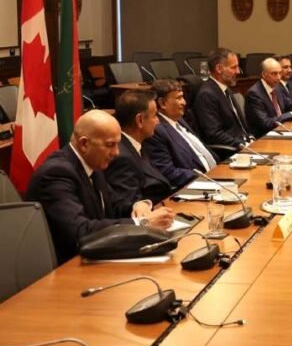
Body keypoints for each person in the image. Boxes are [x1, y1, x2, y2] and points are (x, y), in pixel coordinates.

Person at [26, 110, 174, 265]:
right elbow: (80, 231)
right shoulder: (56, 174)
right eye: (110, 145)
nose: (116, 153)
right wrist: (143, 223)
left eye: (117, 144)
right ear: (84, 143)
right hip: (67, 267)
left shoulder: (92, 163)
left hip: (96, 257)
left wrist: (139, 205)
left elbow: (115, 206)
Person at [144, 79, 218, 188]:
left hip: (216, 176)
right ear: (162, 103)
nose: (184, 102)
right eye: (179, 98)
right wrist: (205, 177)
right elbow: (167, 171)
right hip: (196, 185)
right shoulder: (156, 130)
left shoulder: (179, 119)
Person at [105, 90, 173, 206]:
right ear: (140, 120)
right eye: (155, 115)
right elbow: (130, 206)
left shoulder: (136, 144)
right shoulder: (122, 157)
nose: (157, 121)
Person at [194, 47, 253, 154]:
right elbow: (213, 134)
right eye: (234, 67)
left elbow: (239, 125)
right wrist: (241, 144)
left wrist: (250, 138)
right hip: (230, 152)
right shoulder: (207, 94)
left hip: (245, 145)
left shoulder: (226, 89)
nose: (238, 71)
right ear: (219, 68)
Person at [245, 57, 292, 137]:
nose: (279, 77)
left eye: (280, 73)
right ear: (264, 75)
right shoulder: (254, 94)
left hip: (281, 131)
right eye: (274, 74)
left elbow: (289, 105)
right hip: (264, 137)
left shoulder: (277, 87)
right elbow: (266, 123)